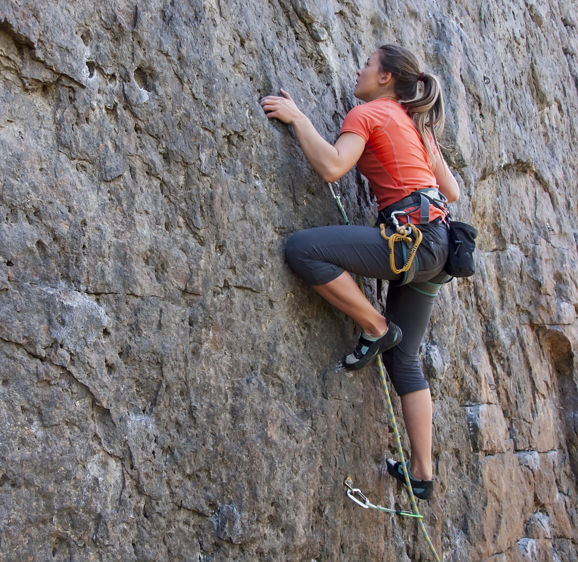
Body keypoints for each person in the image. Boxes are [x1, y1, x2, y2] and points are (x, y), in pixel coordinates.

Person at [260, 44, 459, 500]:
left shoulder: (369, 113)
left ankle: (374, 325)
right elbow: (452, 189)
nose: (359, 69)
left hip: (412, 242)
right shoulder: (414, 125)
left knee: (303, 250)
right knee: (405, 359)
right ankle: (422, 473)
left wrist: (298, 119)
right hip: (438, 245)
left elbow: (332, 166)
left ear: (385, 78)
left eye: (367, 64)